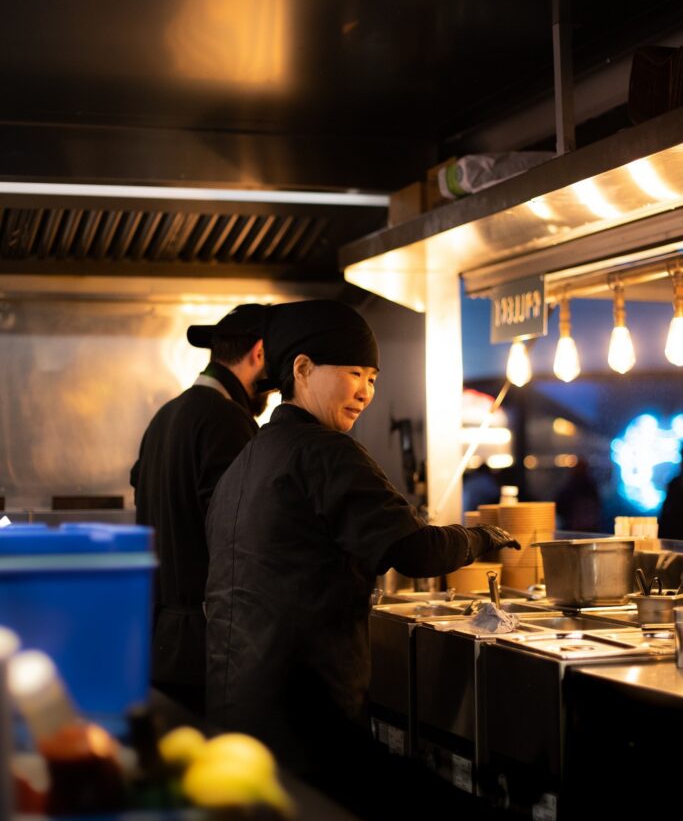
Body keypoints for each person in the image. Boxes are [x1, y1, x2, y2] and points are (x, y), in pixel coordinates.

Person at [205, 299, 520, 789]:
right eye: (354, 373)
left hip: (236, 703)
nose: (366, 392)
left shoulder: (249, 457)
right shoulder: (325, 452)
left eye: (373, 378)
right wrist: (482, 536)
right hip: (307, 715)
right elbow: (415, 551)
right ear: (303, 369)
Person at [131, 302, 267, 715]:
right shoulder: (226, 421)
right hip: (206, 652)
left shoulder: (165, 416)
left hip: (160, 644)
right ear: (260, 353)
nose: (273, 389)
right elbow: (240, 539)